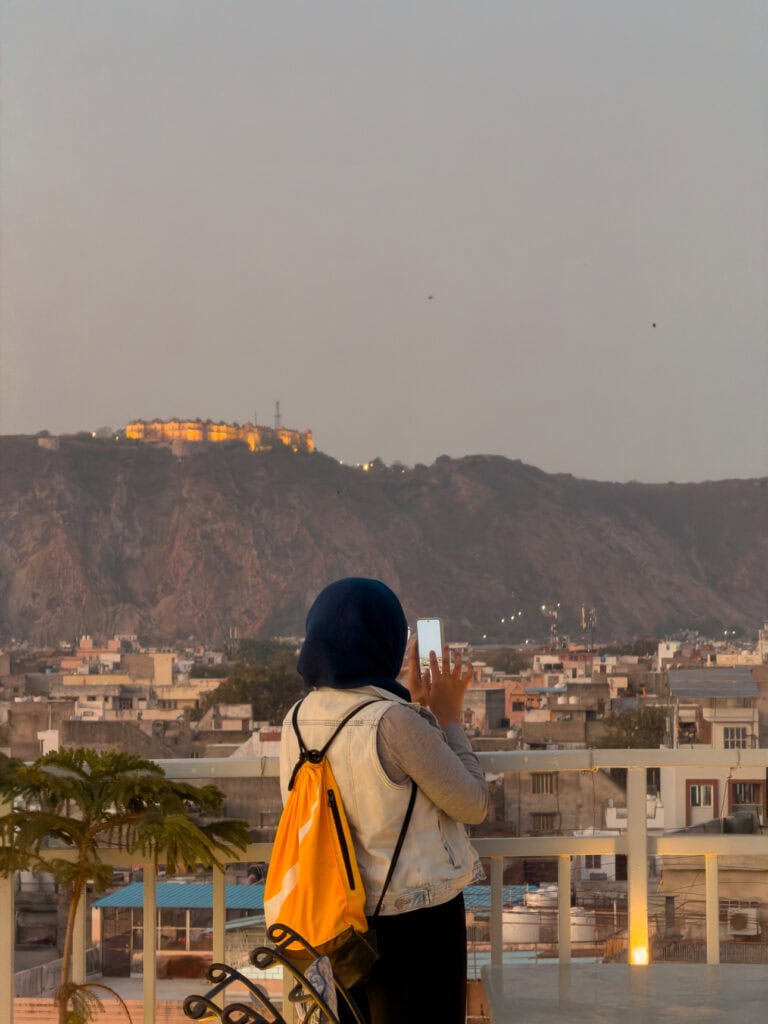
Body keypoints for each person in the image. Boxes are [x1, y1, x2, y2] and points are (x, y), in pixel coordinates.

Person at [279, 577, 488, 1024]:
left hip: (336, 926)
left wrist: (412, 703)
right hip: (414, 923)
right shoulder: (396, 723)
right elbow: (473, 803)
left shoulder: (294, 721)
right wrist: (447, 719)